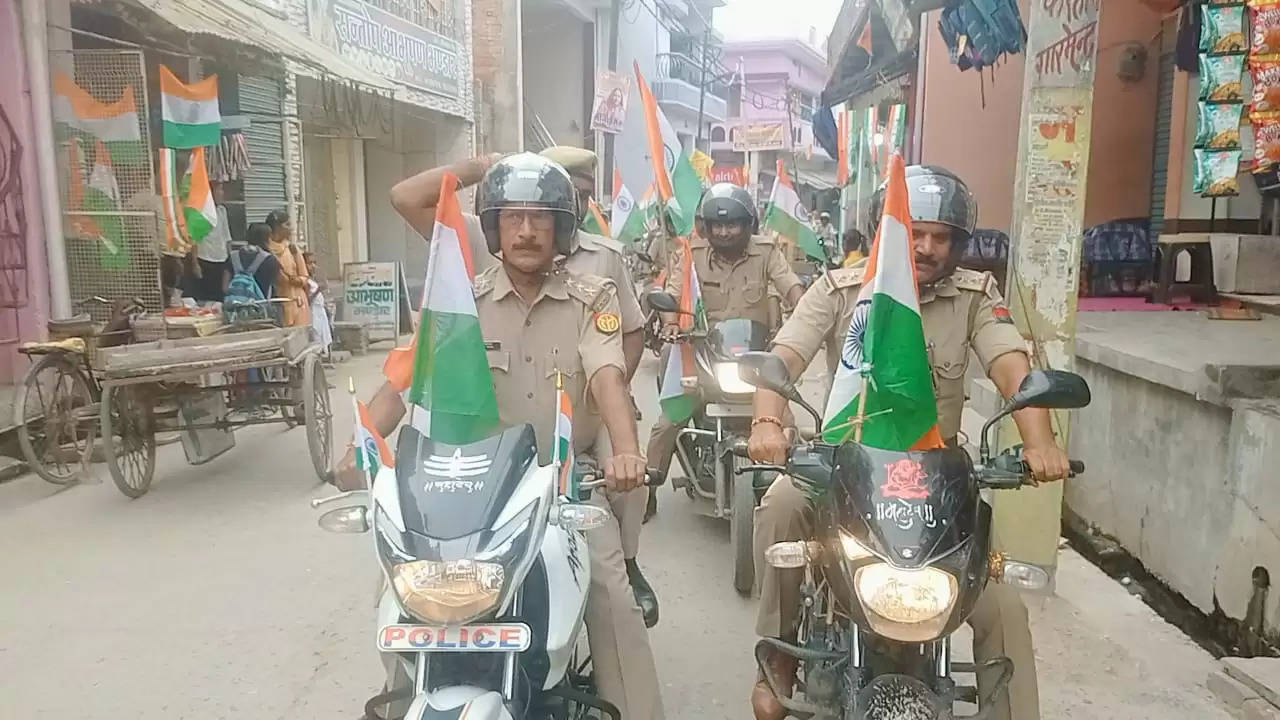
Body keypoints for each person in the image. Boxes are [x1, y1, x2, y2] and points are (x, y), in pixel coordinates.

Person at [746, 165, 1072, 720]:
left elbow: (1014, 369)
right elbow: (785, 357)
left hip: (937, 485)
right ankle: (778, 655)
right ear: (887, 234)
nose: (924, 247)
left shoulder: (975, 296)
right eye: (913, 233)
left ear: (959, 244)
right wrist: (766, 425)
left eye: (940, 237)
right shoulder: (840, 289)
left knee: (1004, 605)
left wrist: (1041, 445)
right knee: (778, 505)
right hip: (844, 470)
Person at [381, 153, 664, 719]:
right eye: (513, 218)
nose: (527, 231)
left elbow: (608, 375)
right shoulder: (464, 300)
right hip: (477, 489)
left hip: (562, 479)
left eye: (540, 218)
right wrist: (360, 444)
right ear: (493, 228)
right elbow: (406, 379)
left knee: (609, 587)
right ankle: (398, 706)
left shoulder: (593, 296)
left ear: (561, 229)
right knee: (405, 597)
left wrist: (627, 451)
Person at [645, 183, 805, 492]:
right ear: (706, 226)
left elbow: (791, 286)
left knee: (786, 422)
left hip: (757, 362)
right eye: (717, 225)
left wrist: (802, 307)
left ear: (748, 225)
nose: (724, 232)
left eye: (732, 224)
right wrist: (671, 325)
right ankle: (648, 489)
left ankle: (789, 490)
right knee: (666, 425)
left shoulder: (767, 252)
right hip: (704, 357)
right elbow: (673, 293)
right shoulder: (691, 254)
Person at [265, 210, 311, 328]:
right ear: (276, 227)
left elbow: (305, 276)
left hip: (298, 302)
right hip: (278, 304)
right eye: (287, 225)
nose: (291, 229)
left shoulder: (291, 249)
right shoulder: (266, 250)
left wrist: (297, 281)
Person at [192, 181, 232, 302]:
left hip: (221, 259)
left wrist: (230, 261)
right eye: (219, 190)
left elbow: (227, 237)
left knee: (220, 297)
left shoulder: (222, 211)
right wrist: (195, 263)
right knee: (205, 297)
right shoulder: (199, 213)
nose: (222, 193)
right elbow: (194, 239)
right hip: (204, 259)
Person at [223, 222, 280, 302]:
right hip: (260, 308)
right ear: (268, 238)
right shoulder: (270, 260)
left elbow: (225, 287)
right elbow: (275, 286)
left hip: (234, 308)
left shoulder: (233, 257)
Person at [303, 251, 333, 357]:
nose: (313, 266)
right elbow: (306, 301)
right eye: (310, 263)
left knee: (323, 336)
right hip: (313, 313)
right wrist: (317, 290)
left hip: (320, 312)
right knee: (316, 339)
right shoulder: (304, 280)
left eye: (314, 262)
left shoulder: (313, 278)